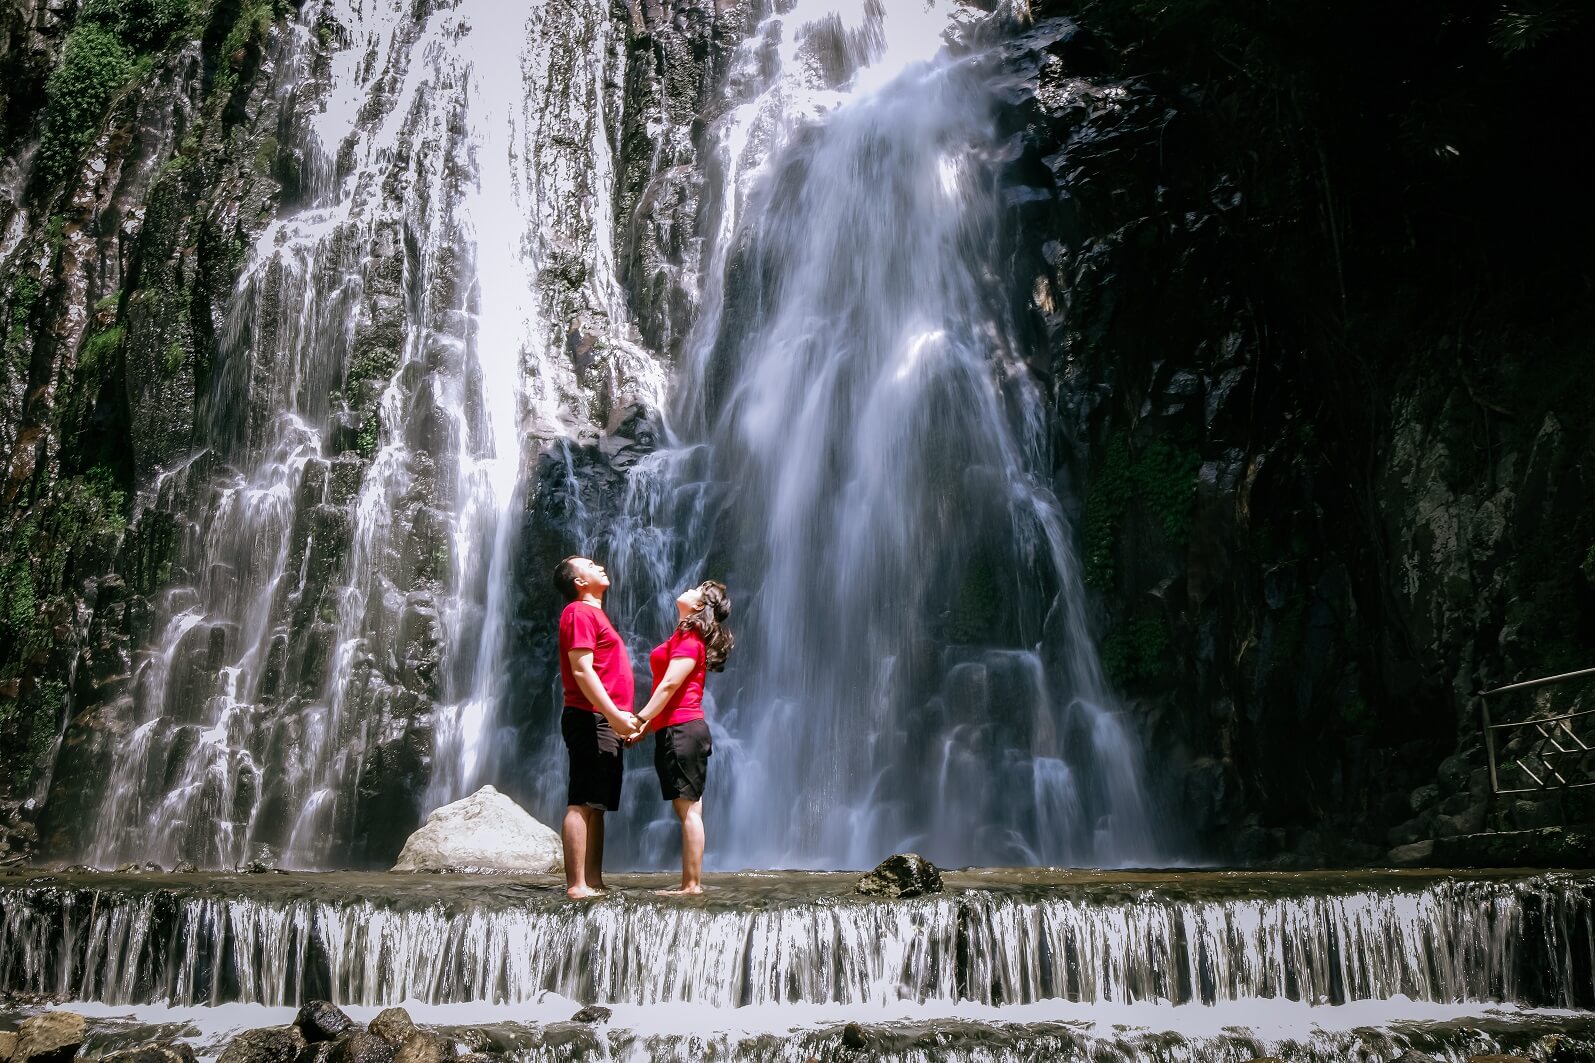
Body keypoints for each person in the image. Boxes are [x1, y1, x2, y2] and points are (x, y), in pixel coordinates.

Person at [631, 580, 733, 895]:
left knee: (689, 809)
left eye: (696, 590)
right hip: (677, 728)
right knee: (688, 807)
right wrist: (646, 727)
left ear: (699, 606)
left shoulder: (690, 639)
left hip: (682, 729)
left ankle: (691, 885)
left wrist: (640, 718)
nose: (688, 589)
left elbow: (669, 685)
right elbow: (668, 692)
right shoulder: (683, 635)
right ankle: (690, 881)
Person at [555, 556, 641, 899]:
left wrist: (620, 719)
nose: (600, 566)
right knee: (582, 801)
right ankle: (577, 884)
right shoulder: (579, 612)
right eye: (590, 565)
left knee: (597, 804)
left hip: (604, 718)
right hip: (589, 715)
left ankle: (594, 880)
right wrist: (615, 716)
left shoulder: (595, 615)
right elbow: (582, 669)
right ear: (578, 582)